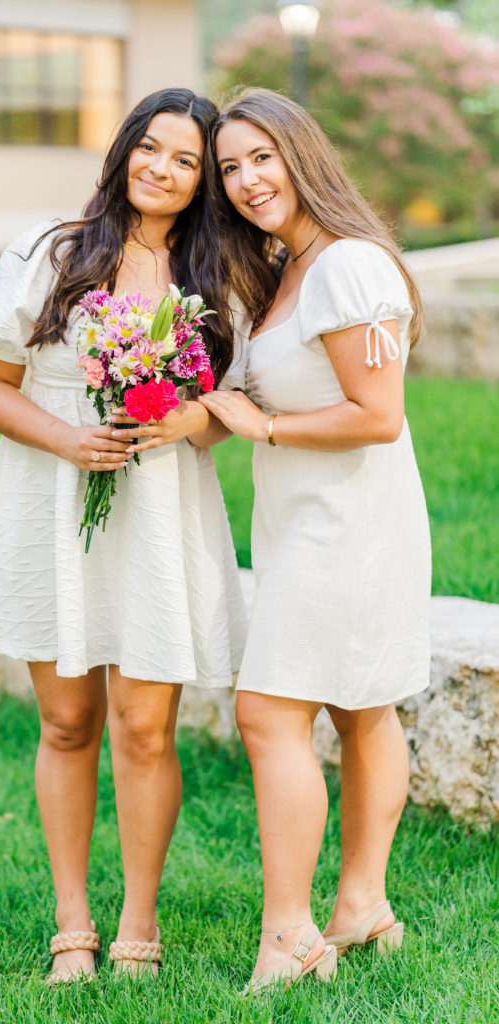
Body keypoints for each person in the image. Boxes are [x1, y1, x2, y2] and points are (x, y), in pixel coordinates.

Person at [0, 88, 251, 984]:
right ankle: (72, 926)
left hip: (160, 506)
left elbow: (235, 410)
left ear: (203, 181)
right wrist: (70, 439)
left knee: (145, 727)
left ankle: (137, 926)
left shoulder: (218, 274)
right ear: (123, 151)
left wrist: (190, 421)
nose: (161, 169)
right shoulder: (52, 251)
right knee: (69, 720)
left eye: (185, 160)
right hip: (51, 496)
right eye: (148, 149)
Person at [200, 88, 431, 994]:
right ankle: (362, 908)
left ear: (303, 155)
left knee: (270, 713)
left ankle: (292, 934)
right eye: (230, 167)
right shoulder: (281, 270)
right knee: (361, 707)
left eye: (263, 156)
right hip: (303, 521)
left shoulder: (347, 265)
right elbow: (269, 398)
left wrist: (259, 430)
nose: (248, 180)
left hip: (349, 525)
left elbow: (376, 417)